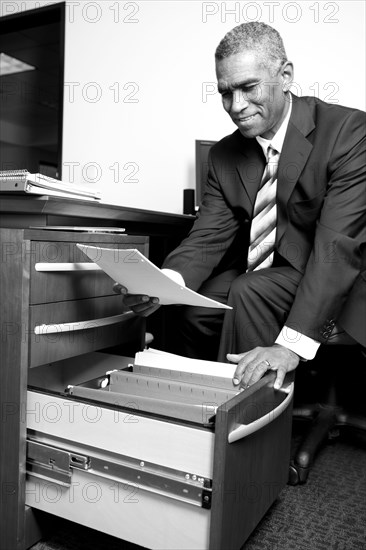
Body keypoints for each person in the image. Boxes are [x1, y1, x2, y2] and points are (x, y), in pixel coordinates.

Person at [114, 22, 366, 390]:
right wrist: (165, 285)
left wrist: (289, 346)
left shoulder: (349, 132)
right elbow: (208, 234)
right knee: (195, 304)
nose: (236, 106)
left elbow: (336, 249)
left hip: (339, 275)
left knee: (250, 289)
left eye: (249, 88)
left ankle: (240, 429)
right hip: (271, 273)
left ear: (285, 75)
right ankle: (185, 400)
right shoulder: (224, 154)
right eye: (225, 93)